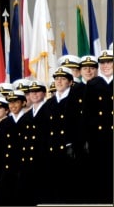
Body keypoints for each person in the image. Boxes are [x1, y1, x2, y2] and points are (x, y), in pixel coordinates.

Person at [44, 66, 84, 204]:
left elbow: (79, 125)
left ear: (70, 82)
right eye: (57, 79)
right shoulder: (49, 103)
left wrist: (73, 144)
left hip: (69, 151)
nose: (59, 82)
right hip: (52, 152)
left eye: (63, 79)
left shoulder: (75, 100)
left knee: (70, 190)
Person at [82, 49, 113, 204]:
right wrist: (87, 138)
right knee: (100, 175)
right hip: (98, 138)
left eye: (109, 62)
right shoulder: (93, 84)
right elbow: (86, 114)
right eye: (102, 63)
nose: (105, 65)